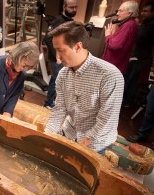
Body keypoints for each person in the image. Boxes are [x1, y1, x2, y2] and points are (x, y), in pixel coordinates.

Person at [44, 21, 124, 155]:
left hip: (95, 143)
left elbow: (106, 120)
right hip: (69, 134)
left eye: (61, 50)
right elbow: (59, 109)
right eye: (55, 50)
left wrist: (80, 146)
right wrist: (47, 134)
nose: (57, 57)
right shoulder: (63, 74)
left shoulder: (110, 75)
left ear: (78, 47)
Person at [43, 0, 77, 109]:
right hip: (56, 58)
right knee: (56, 79)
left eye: (75, 7)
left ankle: (55, 102)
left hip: (65, 57)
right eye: (71, 7)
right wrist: (57, 54)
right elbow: (47, 39)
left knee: (62, 79)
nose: (74, 9)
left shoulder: (70, 21)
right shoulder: (58, 21)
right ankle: (48, 103)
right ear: (64, 7)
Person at [123, 2, 154, 107]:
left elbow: (141, 37)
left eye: (146, 11)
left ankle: (122, 102)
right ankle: (126, 102)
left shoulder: (152, 25)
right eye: (142, 10)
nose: (142, 13)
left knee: (128, 79)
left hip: (139, 57)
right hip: (140, 57)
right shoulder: (147, 23)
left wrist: (136, 26)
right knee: (132, 80)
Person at [102, 0, 138, 74]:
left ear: (129, 13)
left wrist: (108, 35)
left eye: (121, 11)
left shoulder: (128, 25)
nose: (117, 14)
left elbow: (114, 45)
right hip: (116, 66)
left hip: (114, 67)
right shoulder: (131, 24)